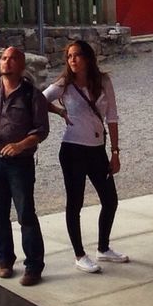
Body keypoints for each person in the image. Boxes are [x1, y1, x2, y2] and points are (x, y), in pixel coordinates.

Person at [44, 39, 129, 273]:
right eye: (69, 56)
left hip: (97, 149)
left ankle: (103, 247)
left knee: (110, 199)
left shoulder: (103, 82)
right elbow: (39, 99)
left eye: (77, 55)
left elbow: (112, 116)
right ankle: (79, 254)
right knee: (75, 202)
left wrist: (115, 151)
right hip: (72, 149)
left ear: (88, 58)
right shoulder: (64, 85)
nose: (72, 60)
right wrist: (59, 110)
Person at [0, 45, 49, 286]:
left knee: (26, 215)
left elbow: (42, 130)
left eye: (13, 58)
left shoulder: (31, 95)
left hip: (20, 164)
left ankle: (33, 266)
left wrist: (21, 145)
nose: (7, 62)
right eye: (4, 58)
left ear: (22, 65)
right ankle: (5, 260)